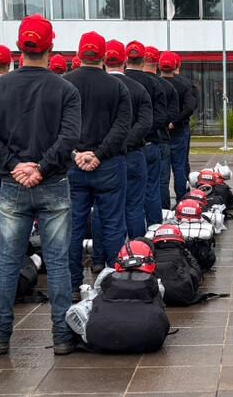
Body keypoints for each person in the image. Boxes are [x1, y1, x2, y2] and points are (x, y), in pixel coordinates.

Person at [0, 14, 80, 356]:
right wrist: (42, 168)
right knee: (59, 264)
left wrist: (16, 166)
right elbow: (70, 137)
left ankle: (0, 338)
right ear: (51, 46)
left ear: (20, 46)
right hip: (53, 183)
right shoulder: (65, 89)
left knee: (8, 262)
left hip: (13, 184)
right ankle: (62, 336)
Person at [64, 32, 131, 287]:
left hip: (73, 165)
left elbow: (60, 127)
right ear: (104, 56)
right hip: (109, 164)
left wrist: (76, 154)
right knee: (113, 224)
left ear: (79, 55)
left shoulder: (64, 83)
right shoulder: (117, 87)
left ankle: (72, 285)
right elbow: (121, 127)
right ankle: (113, 284)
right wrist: (99, 154)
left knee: (73, 227)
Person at [105, 39, 152, 241]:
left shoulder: (101, 86)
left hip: (104, 157)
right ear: (123, 60)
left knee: (105, 210)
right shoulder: (138, 88)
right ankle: (138, 252)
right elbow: (145, 123)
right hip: (132, 153)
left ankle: (101, 258)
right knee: (134, 207)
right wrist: (126, 143)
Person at [125, 42, 170, 226]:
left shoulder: (117, 81)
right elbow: (162, 116)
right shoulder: (155, 83)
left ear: (126, 58)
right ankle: (153, 232)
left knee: (122, 196)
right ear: (144, 60)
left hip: (120, 148)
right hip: (150, 143)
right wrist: (143, 131)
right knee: (151, 190)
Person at [144, 46, 179, 216]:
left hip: (136, 143)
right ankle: (163, 214)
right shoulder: (165, 86)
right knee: (160, 182)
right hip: (160, 139)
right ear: (157, 63)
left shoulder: (132, 83)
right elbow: (171, 114)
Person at [160, 52, 195, 204]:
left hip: (160, 133)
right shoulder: (184, 85)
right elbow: (190, 107)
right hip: (179, 131)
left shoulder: (155, 84)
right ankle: (183, 201)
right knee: (179, 168)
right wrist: (175, 121)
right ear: (176, 66)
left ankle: (164, 206)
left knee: (162, 173)